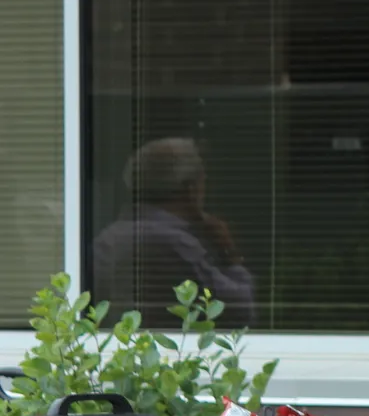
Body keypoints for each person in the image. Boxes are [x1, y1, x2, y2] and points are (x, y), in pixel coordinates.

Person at [93, 137, 255, 327]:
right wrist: (230, 255)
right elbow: (241, 310)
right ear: (191, 190)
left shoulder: (107, 239)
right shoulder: (177, 244)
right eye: (203, 181)